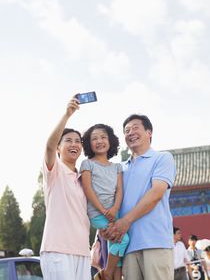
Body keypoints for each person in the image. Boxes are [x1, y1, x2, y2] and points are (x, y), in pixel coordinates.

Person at [102, 114, 176, 280]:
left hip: (155, 242)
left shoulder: (162, 158)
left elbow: (156, 193)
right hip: (127, 246)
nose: (130, 133)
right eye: (126, 130)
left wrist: (126, 221)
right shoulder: (119, 168)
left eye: (135, 128)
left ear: (149, 132)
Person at [40, 97, 91, 280]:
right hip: (57, 250)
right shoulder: (55, 171)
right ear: (59, 148)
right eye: (68, 140)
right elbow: (48, 146)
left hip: (83, 252)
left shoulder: (83, 178)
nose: (74, 144)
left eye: (78, 141)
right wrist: (67, 115)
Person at [80, 123, 129, 280]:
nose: (99, 141)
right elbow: (88, 189)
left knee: (116, 249)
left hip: (114, 212)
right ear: (89, 143)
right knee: (123, 239)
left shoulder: (117, 167)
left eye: (103, 137)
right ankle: (106, 273)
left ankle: (113, 275)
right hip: (97, 213)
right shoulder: (87, 164)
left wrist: (114, 208)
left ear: (110, 141)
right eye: (94, 138)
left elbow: (119, 190)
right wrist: (103, 210)